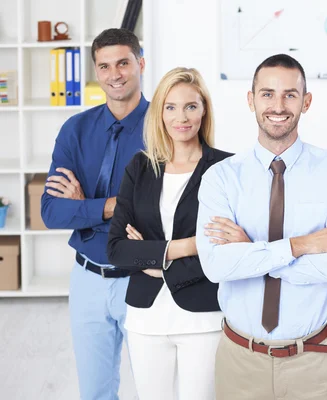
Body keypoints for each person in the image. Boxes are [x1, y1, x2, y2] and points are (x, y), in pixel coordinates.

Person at [196, 54, 327, 400]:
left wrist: (251, 252)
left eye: (290, 94)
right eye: (267, 94)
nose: (278, 105)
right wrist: (299, 245)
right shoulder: (221, 178)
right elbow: (216, 266)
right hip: (240, 360)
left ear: (307, 102)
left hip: (313, 363)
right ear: (251, 99)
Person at [106, 67, 231, 399]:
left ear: (204, 110)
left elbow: (225, 250)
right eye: (171, 107)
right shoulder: (140, 167)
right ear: (159, 112)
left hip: (203, 319)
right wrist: (188, 246)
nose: (182, 117)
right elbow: (117, 249)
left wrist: (152, 257)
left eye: (191, 106)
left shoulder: (227, 169)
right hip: (146, 318)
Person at [41, 28, 147, 400]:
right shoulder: (76, 129)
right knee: (95, 392)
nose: (114, 74)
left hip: (143, 279)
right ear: (96, 71)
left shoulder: (165, 127)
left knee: (158, 388)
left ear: (140, 63)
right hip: (87, 279)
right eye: (104, 66)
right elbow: (52, 211)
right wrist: (111, 205)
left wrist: (83, 206)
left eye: (123, 63)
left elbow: (160, 215)